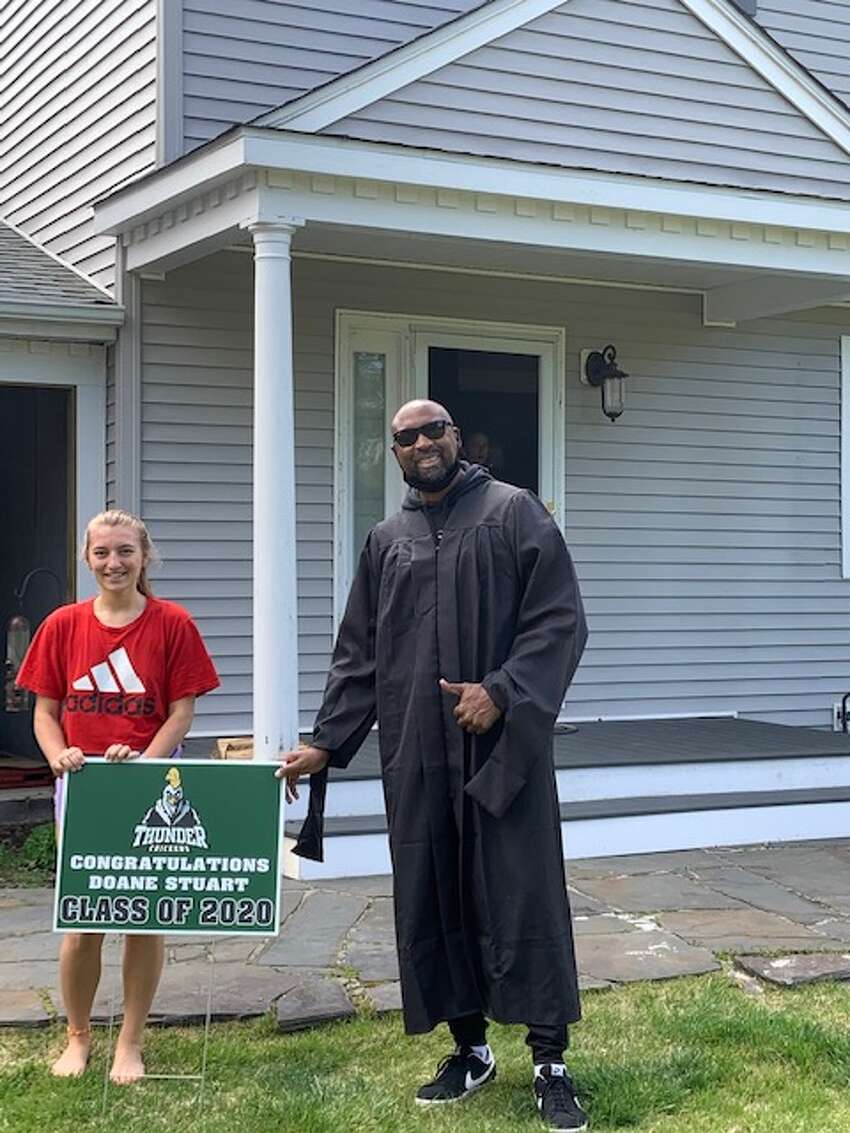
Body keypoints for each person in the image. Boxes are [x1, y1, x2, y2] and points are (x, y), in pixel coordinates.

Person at [278, 400, 589, 1131]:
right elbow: (360, 651)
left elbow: (560, 619)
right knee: (435, 895)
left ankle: (551, 1061)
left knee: (523, 896)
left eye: (433, 430)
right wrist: (327, 739)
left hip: (501, 748)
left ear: (458, 437)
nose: (421, 443)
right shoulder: (388, 539)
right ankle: (469, 1047)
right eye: (405, 437)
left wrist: (502, 691)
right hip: (418, 749)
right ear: (395, 452)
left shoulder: (515, 514)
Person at [15, 509, 219, 1084]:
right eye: (102, 553)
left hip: (152, 787)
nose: (114, 563)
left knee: (143, 919)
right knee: (83, 920)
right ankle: (78, 1036)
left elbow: (182, 712)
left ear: (144, 557)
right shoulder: (61, 625)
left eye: (125, 551)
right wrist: (58, 756)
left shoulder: (173, 624)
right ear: (87, 559)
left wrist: (147, 765)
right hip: (83, 791)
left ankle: (130, 1040)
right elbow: (45, 712)